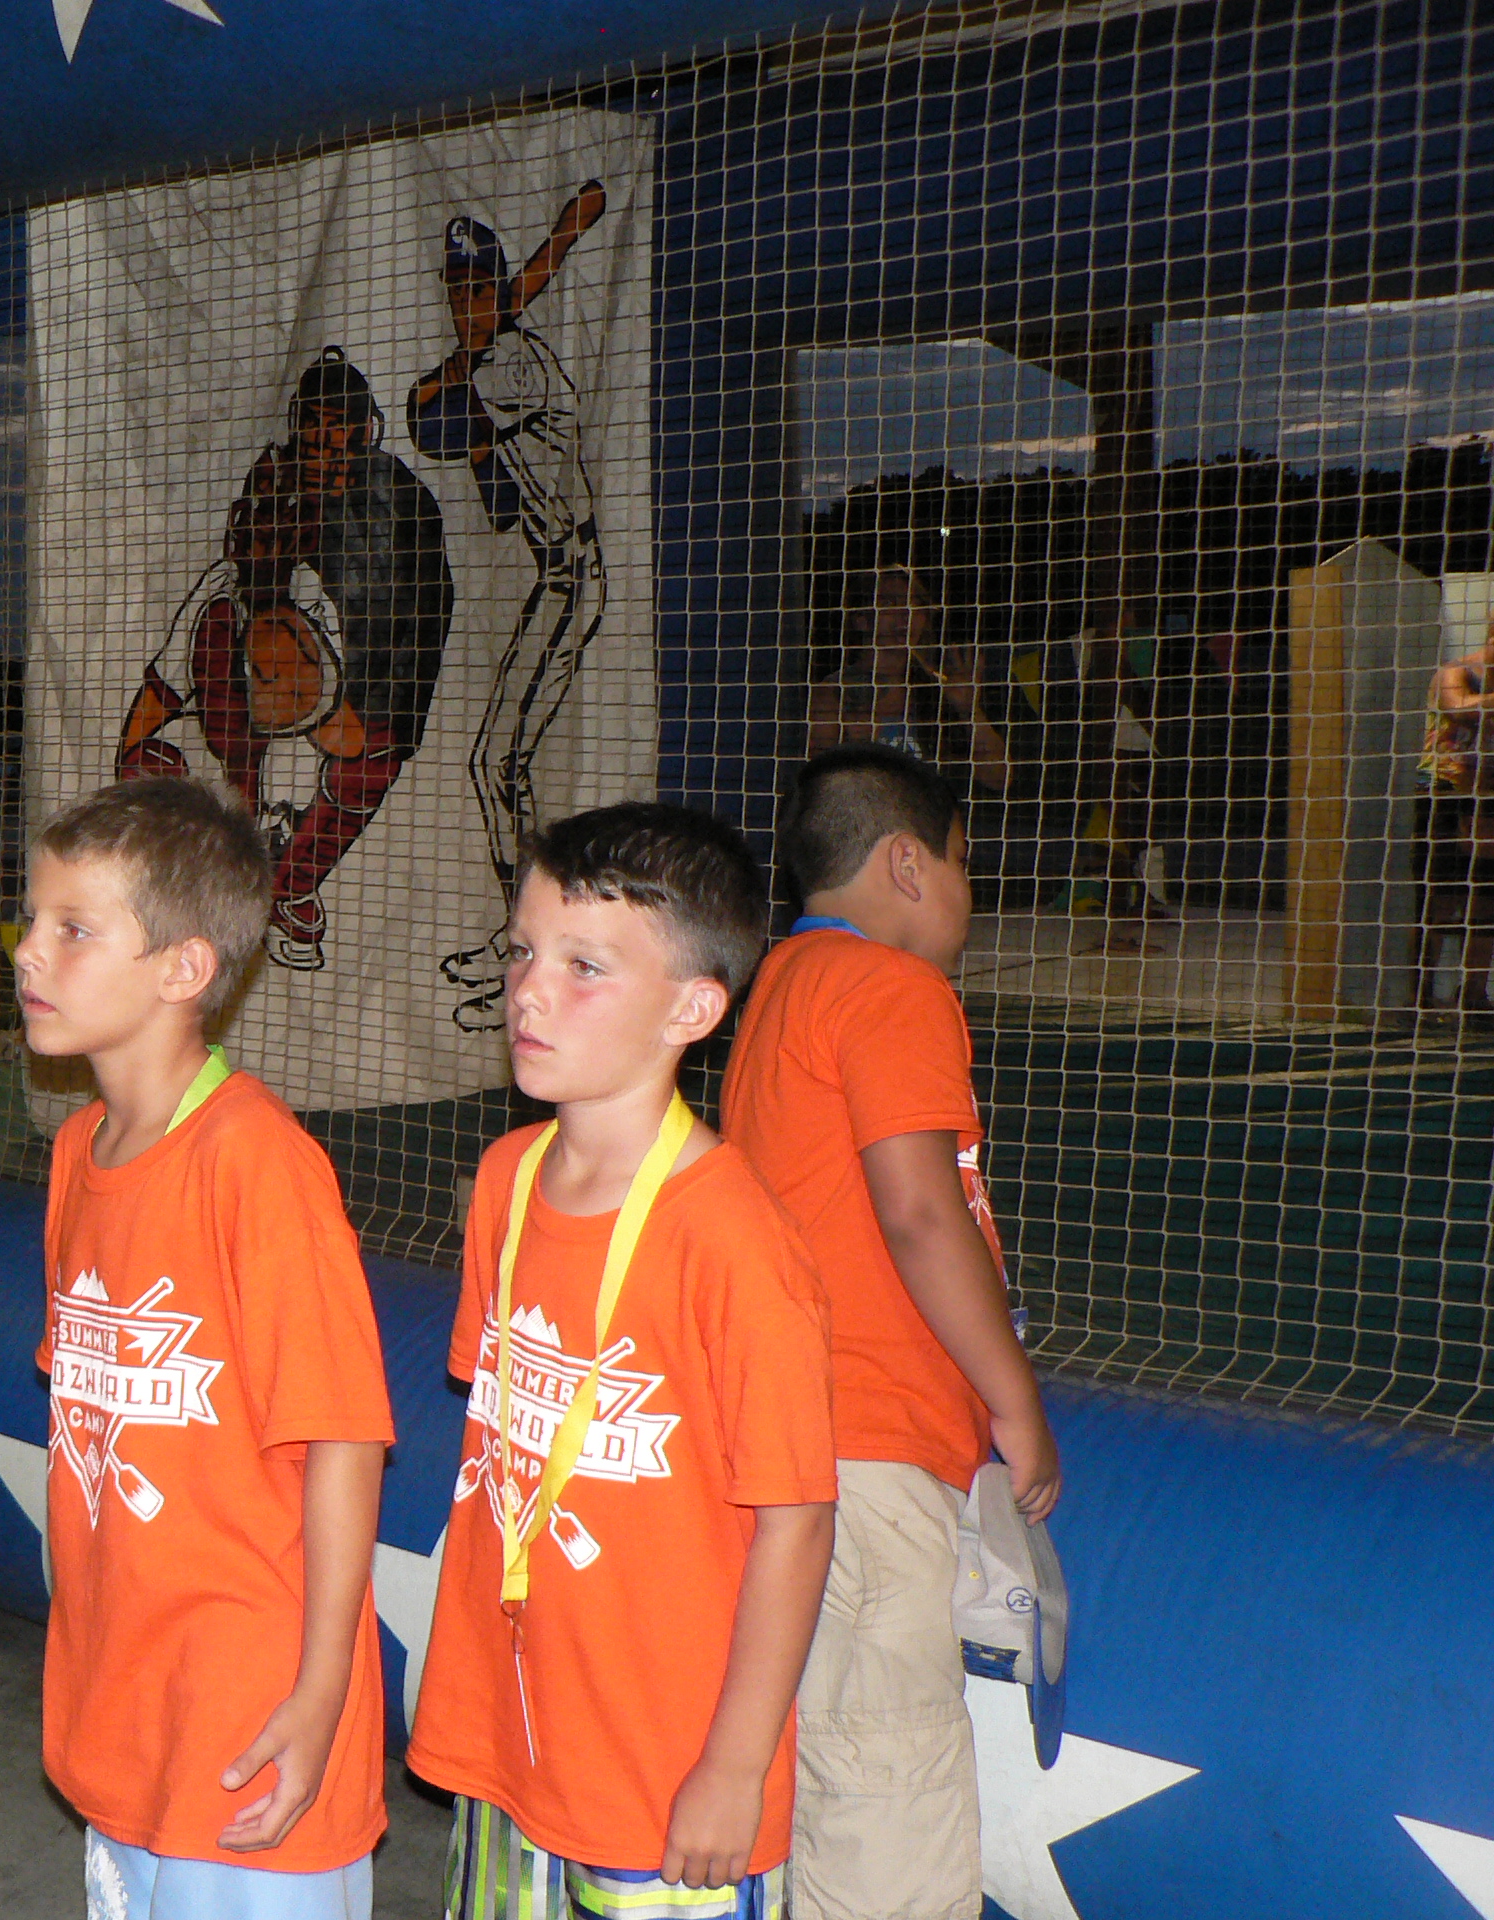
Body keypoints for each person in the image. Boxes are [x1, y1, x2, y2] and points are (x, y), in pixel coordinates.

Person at [405, 802, 838, 1920]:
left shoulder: (735, 1245)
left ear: (692, 1008)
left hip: (662, 1766)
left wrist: (734, 1767)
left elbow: (796, 1523)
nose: (529, 991)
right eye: (522, 952)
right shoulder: (506, 1179)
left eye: (584, 967)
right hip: (513, 1738)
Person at [15, 775, 397, 1919]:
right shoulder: (79, 1150)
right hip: (128, 1693)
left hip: (247, 1704)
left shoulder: (255, 1166)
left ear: (183, 969)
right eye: (30, 920)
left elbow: (343, 1439)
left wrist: (320, 1693)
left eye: (74, 929)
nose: (29, 952)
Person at [722, 744, 1064, 1920]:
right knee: (887, 1787)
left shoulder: (783, 983)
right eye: (964, 865)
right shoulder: (891, 989)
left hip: (795, 1436)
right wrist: (1014, 1402)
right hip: (865, 1444)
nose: (970, 896)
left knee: (826, 1759)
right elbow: (918, 1212)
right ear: (908, 866)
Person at [118, 346, 454, 973]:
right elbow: (161, 692)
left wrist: (364, 716)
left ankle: (291, 884)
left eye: (340, 428)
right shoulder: (225, 599)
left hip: (366, 682)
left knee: (370, 758)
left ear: (366, 430)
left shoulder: (398, 512)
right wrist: (136, 764)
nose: (326, 445)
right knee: (152, 762)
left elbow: (416, 631)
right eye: (315, 427)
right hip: (257, 732)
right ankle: (241, 838)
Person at [408, 183, 613, 1029]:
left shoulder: (512, 364)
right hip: (553, 577)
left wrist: (555, 247)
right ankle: (521, 933)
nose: (468, 308)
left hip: (575, 576)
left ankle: (537, 948)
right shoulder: (489, 359)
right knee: (494, 764)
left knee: (498, 763)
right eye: (456, 293)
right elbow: (476, 477)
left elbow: (431, 420)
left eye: (481, 290)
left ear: (500, 292)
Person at [807, 566, 1011, 800]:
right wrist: (854, 749)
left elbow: (999, 778)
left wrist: (970, 712)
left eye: (916, 604)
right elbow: (816, 788)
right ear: (861, 619)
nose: (906, 614)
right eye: (890, 603)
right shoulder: (833, 693)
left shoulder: (940, 690)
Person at [1415, 634, 1494, 1014]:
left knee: (1488, 899)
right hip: (1445, 791)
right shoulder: (1457, 672)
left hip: (1488, 790)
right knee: (1443, 897)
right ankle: (1420, 992)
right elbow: (1459, 708)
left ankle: (1474, 992)